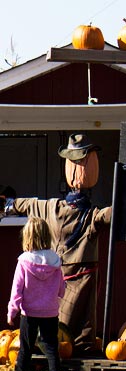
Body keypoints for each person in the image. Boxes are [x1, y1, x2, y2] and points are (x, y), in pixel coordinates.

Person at [1, 133, 111, 354]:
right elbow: (113, 214)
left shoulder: (49, 208)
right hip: (78, 274)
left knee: (56, 326)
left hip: (56, 275)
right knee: (77, 331)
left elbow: (22, 204)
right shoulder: (92, 215)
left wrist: (7, 205)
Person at [7, 216, 65, 371]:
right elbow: (61, 288)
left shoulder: (24, 261)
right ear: (47, 236)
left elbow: (16, 289)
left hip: (29, 312)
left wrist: (12, 311)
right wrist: (59, 294)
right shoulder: (55, 261)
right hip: (50, 312)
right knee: (52, 346)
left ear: (27, 237)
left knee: (26, 347)